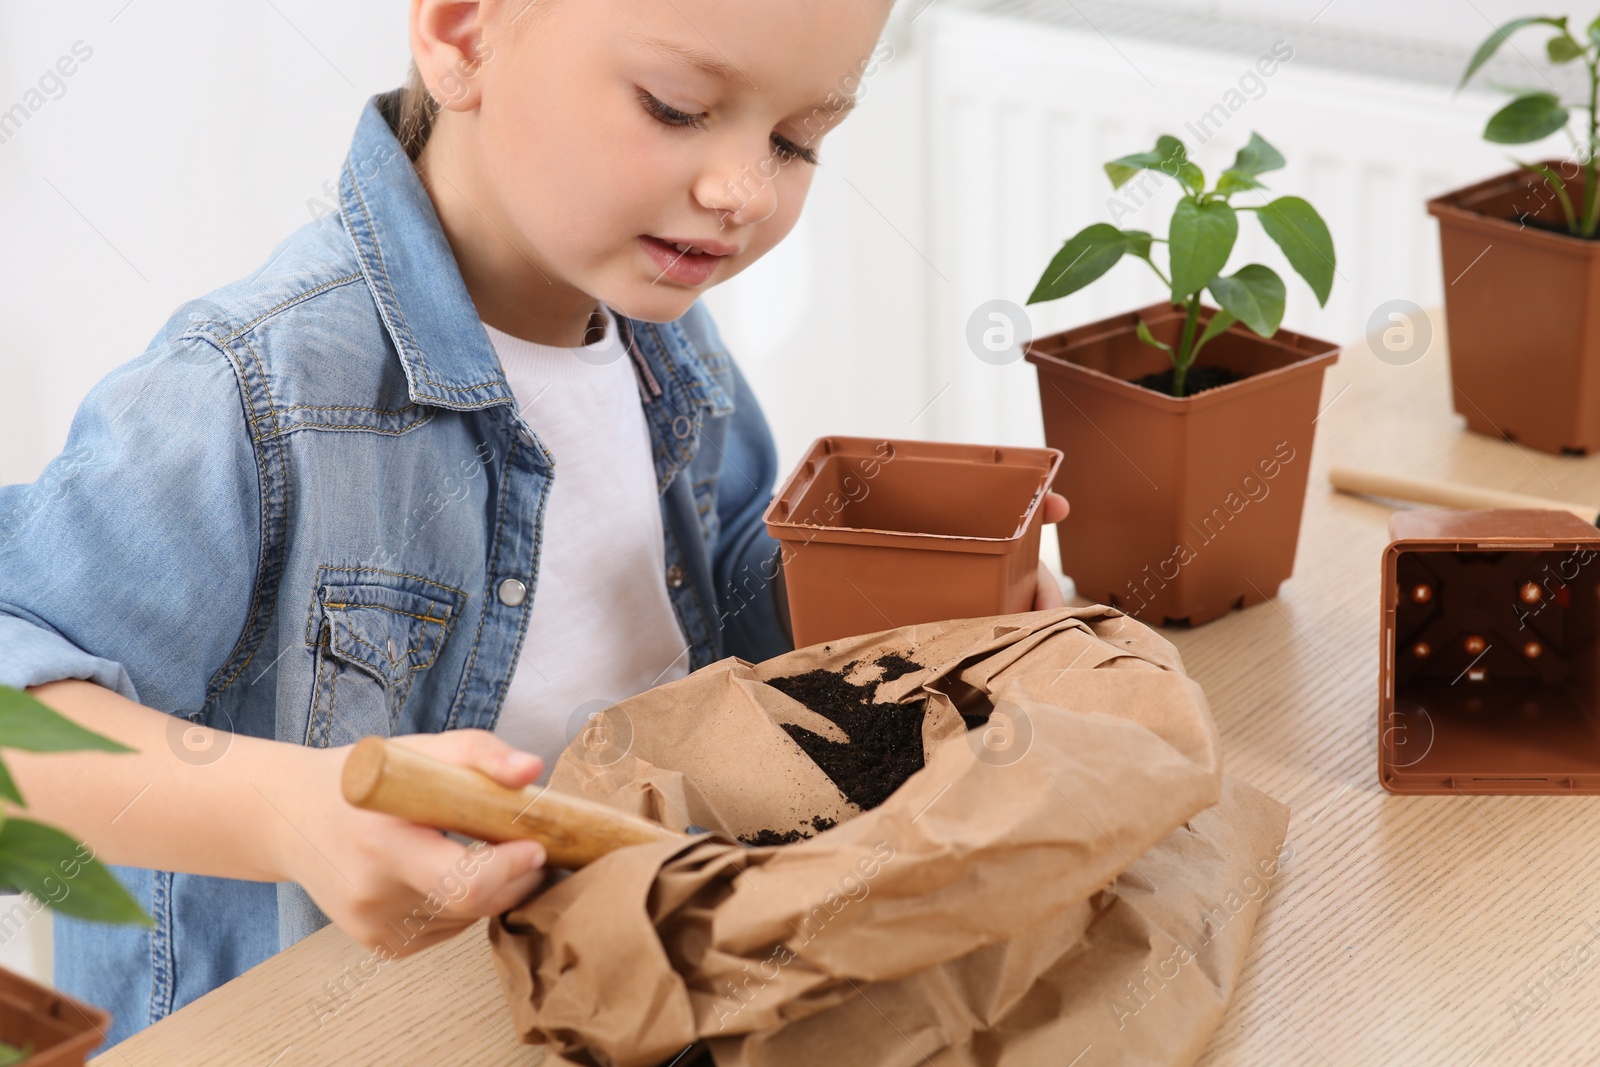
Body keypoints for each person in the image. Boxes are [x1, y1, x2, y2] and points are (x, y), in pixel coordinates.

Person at [0, 0, 1067, 1048]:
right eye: (676, 107)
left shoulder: (671, 345)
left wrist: (937, 604)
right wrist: (288, 809)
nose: (741, 189)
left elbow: (746, 612)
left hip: (608, 980)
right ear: (464, 34)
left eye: (796, 141)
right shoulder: (253, 387)